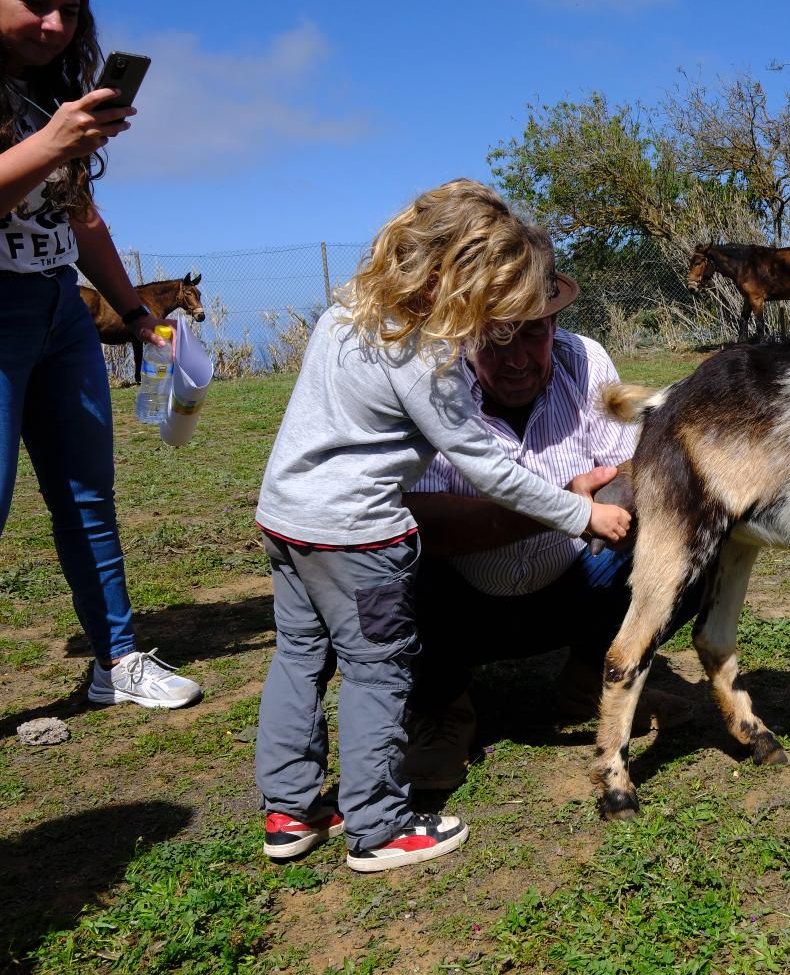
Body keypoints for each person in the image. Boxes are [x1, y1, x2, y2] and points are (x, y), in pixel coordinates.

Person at [252, 180, 632, 873]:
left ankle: (290, 809)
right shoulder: (421, 355)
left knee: (300, 659)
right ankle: (377, 825)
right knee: (377, 673)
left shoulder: (344, 317)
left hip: (286, 520)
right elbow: (487, 467)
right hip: (359, 533)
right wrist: (582, 512)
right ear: (457, 275)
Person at [400, 247, 698, 791]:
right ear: (466, 329)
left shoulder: (585, 360)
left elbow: (630, 471)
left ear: (555, 322)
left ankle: (594, 679)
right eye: (497, 337)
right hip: (457, 604)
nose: (516, 359)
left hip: (572, 584)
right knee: (390, 553)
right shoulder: (428, 380)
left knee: (691, 540)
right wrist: (558, 506)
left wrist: (611, 496)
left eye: (532, 333)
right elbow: (422, 520)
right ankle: (442, 709)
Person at [0, 0, 200, 708]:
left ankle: (115, 661)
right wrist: (51, 144)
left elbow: (80, 219)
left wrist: (136, 313)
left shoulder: (48, 100)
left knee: (89, 495)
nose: (55, 26)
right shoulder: (51, 124)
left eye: (70, 12)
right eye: (34, 4)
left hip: (61, 310)